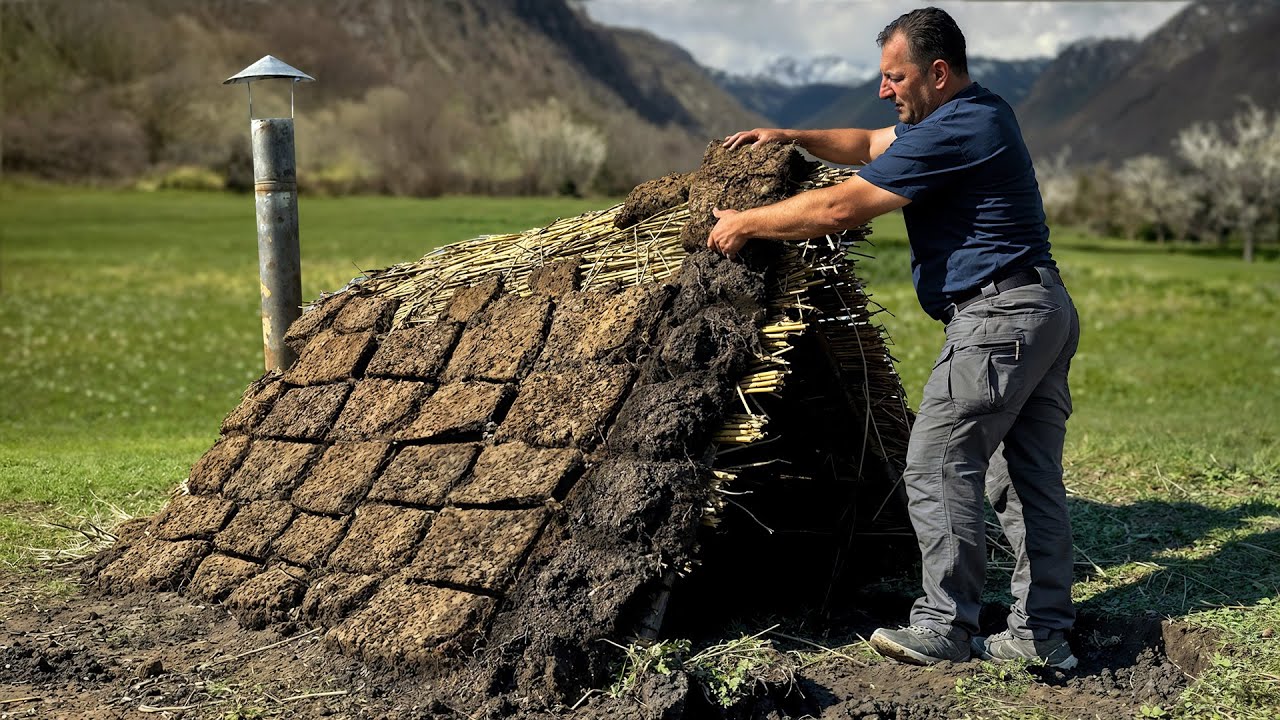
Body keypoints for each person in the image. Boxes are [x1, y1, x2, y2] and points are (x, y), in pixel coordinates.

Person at [711, 6, 1081, 669]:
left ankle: (945, 626)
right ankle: (1041, 634)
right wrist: (792, 134)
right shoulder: (966, 115)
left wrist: (748, 223)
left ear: (937, 73)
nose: (885, 89)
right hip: (1039, 307)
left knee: (938, 462)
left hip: (998, 318)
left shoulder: (957, 129)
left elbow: (840, 206)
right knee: (1027, 482)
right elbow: (866, 143)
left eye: (895, 76)